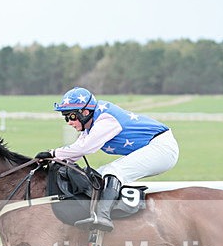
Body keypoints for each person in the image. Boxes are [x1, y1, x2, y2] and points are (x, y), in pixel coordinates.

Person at [35, 86, 179, 232]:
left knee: (113, 171)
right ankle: (98, 213)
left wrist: (53, 153)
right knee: (99, 175)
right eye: (65, 117)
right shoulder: (91, 123)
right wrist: (52, 160)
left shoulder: (105, 119)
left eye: (71, 116)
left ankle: (103, 216)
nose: (69, 122)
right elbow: (75, 152)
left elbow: (84, 148)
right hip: (155, 146)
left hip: (163, 148)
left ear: (84, 112)